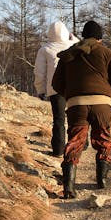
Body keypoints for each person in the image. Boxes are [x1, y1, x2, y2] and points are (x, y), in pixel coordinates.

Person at [51, 20, 111, 198]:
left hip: (76, 104)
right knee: (103, 138)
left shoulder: (69, 55)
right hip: (102, 104)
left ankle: (69, 186)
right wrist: (109, 96)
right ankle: (102, 180)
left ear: (83, 36)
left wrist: (70, 95)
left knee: (75, 141)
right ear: (100, 38)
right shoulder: (108, 54)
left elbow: (56, 83)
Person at [33, 20, 77, 156]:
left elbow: (40, 72)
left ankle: (58, 150)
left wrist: (40, 90)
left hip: (55, 89)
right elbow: (81, 45)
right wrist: (73, 37)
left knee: (59, 119)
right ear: (65, 32)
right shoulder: (73, 45)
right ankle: (78, 146)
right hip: (74, 88)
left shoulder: (45, 49)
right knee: (76, 118)